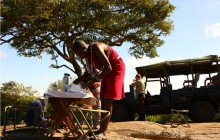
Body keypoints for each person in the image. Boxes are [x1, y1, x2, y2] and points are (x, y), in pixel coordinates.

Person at [72, 40, 125, 139]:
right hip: (106, 71)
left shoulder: (96, 47)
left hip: (116, 68)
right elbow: (88, 73)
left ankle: (103, 132)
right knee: (103, 98)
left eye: (79, 54)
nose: (79, 56)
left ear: (84, 49)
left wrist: (92, 81)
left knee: (107, 99)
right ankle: (101, 129)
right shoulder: (88, 56)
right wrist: (75, 82)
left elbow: (108, 67)